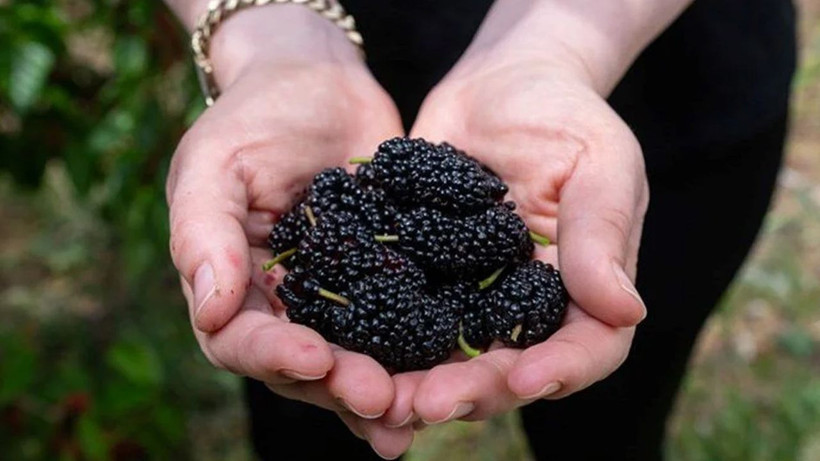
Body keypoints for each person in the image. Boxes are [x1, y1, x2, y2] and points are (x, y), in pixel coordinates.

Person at [163, 0, 796, 459]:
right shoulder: (335, 226)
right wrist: (274, 43)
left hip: (662, 80)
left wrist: (559, 49)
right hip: (329, 62)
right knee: (310, 407)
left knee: (611, 418)